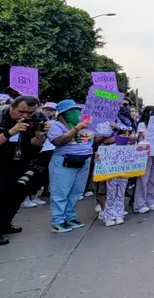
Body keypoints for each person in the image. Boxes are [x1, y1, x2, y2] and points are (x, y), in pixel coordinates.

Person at [0, 96, 50, 245]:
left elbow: (35, 144)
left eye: (30, 113)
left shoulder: (39, 117)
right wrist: (10, 132)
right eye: (22, 111)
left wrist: (40, 136)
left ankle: (5, 223)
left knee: (19, 192)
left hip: (21, 160)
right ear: (12, 107)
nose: (26, 116)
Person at [47, 99, 110, 233]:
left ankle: (70, 217)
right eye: (72, 110)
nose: (76, 112)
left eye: (77, 110)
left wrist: (108, 129)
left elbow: (94, 140)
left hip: (84, 160)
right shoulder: (55, 125)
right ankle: (58, 221)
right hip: (64, 161)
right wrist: (76, 129)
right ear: (64, 113)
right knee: (61, 192)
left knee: (76, 192)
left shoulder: (86, 125)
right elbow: (58, 141)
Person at [22, 102, 58, 208]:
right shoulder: (27, 121)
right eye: (46, 109)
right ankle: (25, 198)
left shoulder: (50, 122)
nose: (48, 112)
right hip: (32, 151)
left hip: (45, 150)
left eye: (51, 110)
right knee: (28, 175)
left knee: (39, 175)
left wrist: (42, 133)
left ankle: (33, 196)